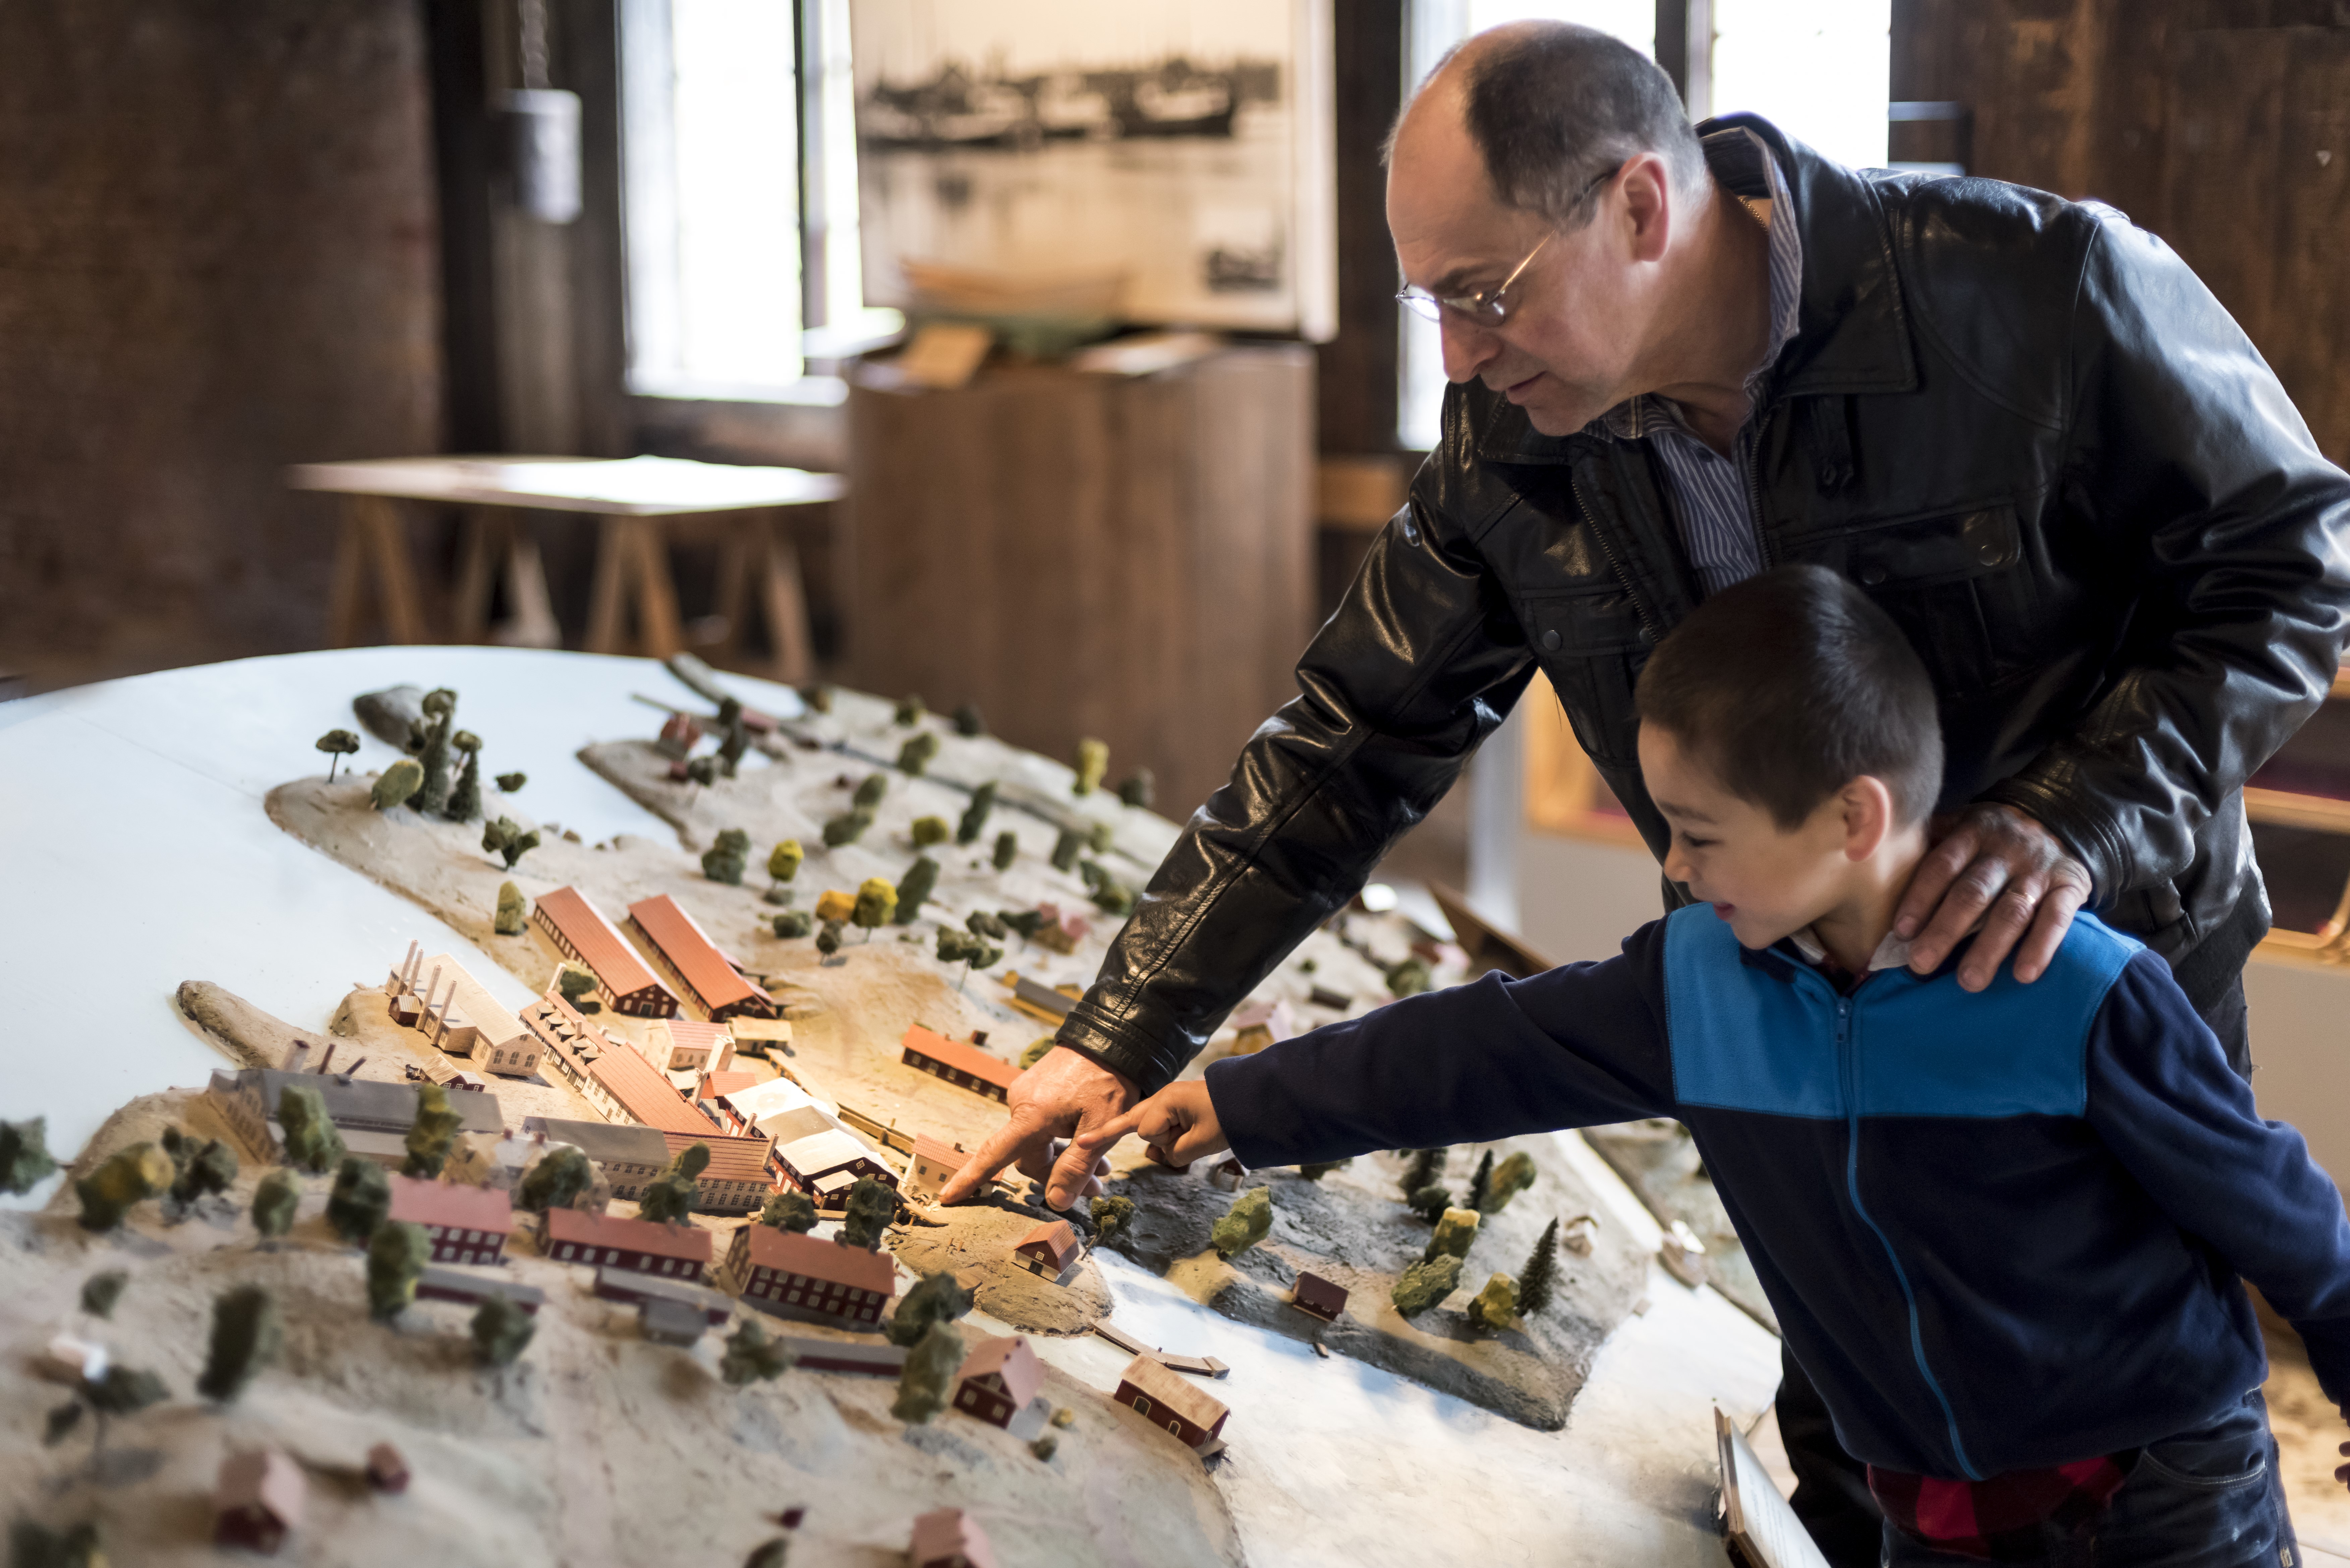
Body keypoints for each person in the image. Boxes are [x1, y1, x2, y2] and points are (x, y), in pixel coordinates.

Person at [941, 20, 2350, 1557]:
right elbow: (1351, 735)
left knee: (2147, 1425)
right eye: (1428, 303)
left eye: (1483, 294)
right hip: (1792, 1011)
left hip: (2071, 974)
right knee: (1857, 1406)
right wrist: (1121, 1033)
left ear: (1637, 206)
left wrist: (2072, 814)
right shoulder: (1512, 426)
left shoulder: (2037, 284)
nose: (1457, 357)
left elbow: (2292, 561)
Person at [1081, 566, 2350, 1568]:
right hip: (1929, 1507)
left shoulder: (2077, 991)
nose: (1675, 867)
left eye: (1700, 834)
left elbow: (2277, 1212)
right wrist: (1240, 1099)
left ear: (1852, 817)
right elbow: (1479, 1050)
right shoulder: (1694, 983)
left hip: (2160, 1493)